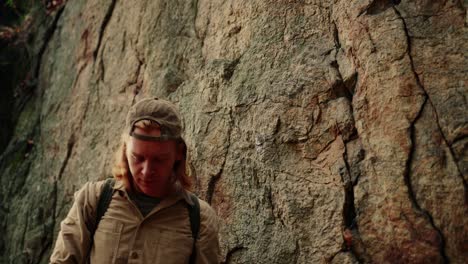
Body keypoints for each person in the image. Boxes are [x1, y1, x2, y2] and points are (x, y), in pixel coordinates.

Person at [50, 97, 220, 263]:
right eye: (137, 158)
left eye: (159, 160)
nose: (146, 172)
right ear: (125, 149)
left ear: (179, 153)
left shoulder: (200, 219)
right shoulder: (93, 200)